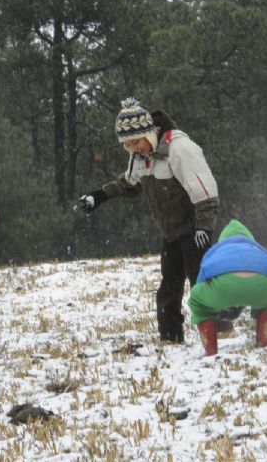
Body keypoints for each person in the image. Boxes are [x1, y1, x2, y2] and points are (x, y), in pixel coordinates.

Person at [79, 97, 219, 343]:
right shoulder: (142, 157)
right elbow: (129, 184)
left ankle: (216, 335)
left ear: (149, 133)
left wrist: (204, 228)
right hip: (170, 233)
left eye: (135, 142)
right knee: (168, 291)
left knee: (202, 286)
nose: (132, 148)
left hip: (193, 228)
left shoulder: (180, 149)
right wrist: (99, 196)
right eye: (126, 145)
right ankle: (170, 338)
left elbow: (205, 191)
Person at [188, 219, 267, 355]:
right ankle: (264, 337)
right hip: (259, 289)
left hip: (222, 288)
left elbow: (201, 282)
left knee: (198, 301)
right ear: (250, 239)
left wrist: (216, 309)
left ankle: (210, 348)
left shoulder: (214, 252)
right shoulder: (261, 252)